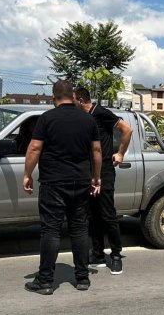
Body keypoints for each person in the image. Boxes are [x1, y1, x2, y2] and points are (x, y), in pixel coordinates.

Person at [23, 80, 102, 295]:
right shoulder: (88, 120)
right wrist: (96, 177)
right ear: (73, 96)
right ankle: (83, 278)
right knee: (79, 229)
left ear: (53, 96)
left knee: (51, 230)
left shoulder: (47, 118)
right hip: (80, 181)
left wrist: (27, 174)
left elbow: (34, 148)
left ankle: (46, 281)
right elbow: (96, 151)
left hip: (54, 182)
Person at [74, 86, 133, 276]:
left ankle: (116, 255)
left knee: (107, 214)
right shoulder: (81, 118)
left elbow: (127, 129)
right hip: (88, 170)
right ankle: (97, 253)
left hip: (105, 170)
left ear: (81, 100)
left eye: (73, 100)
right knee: (92, 214)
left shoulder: (100, 112)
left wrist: (120, 153)